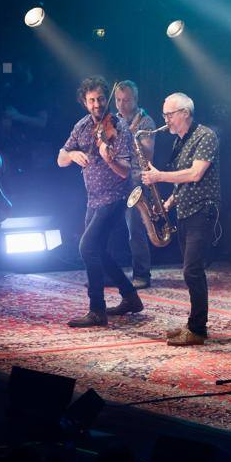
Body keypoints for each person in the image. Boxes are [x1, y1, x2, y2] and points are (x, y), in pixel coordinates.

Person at [58, 76, 142, 327]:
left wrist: (108, 159)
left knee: (87, 248)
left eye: (101, 99)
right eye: (92, 100)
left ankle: (97, 310)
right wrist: (72, 154)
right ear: (84, 102)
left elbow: (126, 171)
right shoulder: (82, 126)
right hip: (93, 199)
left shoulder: (120, 127)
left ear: (107, 100)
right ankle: (130, 298)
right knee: (99, 251)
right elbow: (60, 158)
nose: (97, 104)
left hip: (115, 197)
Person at [142, 93, 220, 345]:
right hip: (184, 210)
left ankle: (197, 329)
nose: (166, 121)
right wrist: (168, 203)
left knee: (192, 270)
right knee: (189, 271)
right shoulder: (180, 141)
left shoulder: (206, 136)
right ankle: (192, 324)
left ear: (185, 113)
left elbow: (195, 174)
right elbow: (182, 180)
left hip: (201, 210)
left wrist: (159, 177)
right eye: (165, 115)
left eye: (169, 115)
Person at [113, 80, 155, 289]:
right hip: (115, 181)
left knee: (136, 231)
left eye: (126, 100)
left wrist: (130, 132)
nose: (122, 105)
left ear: (136, 100)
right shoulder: (113, 120)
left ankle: (142, 274)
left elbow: (147, 154)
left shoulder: (146, 122)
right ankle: (108, 273)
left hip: (136, 183)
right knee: (108, 229)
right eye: (118, 100)